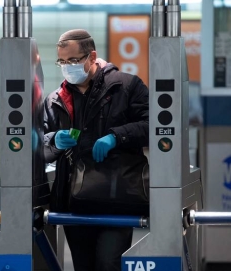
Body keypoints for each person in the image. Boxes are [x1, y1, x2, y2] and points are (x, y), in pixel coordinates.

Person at [42, 29, 149, 271]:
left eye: (73, 60)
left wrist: (116, 137)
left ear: (92, 56)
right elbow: (39, 147)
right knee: (84, 266)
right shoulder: (55, 100)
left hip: (117, 196)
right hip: (74, 200)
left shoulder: (126, 86)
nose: (67, 67)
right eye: (62, 61)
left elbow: (155, 125)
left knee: (108, 265)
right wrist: (54, 141)